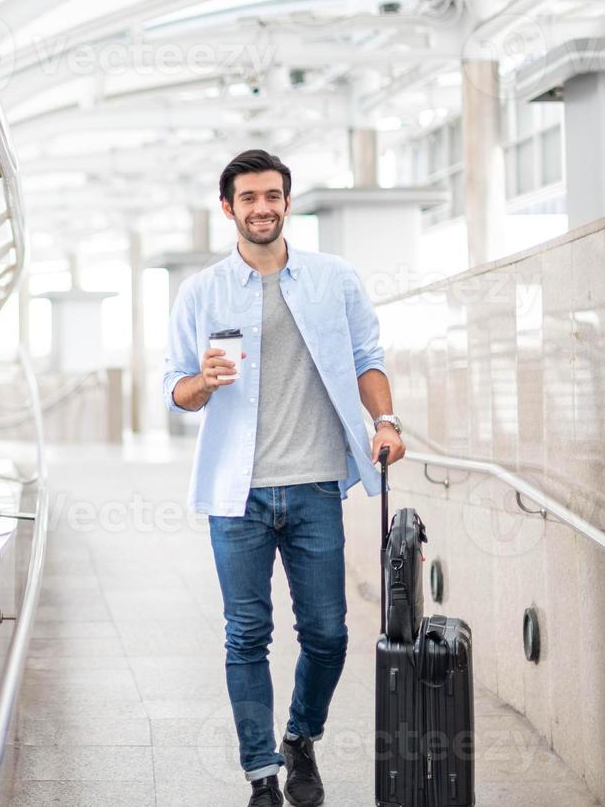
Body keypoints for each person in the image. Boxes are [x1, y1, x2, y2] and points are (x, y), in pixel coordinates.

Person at [162, 149, 406, 807]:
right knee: (246, 634)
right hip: (233, 494)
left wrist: (385, 421)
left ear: (286, 202)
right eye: (248, 198)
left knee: (327, 633)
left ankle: (301, 738)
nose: (261, 207)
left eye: (272, 195)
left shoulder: (333, 279)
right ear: (227, 208)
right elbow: (174, 391)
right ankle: (261, 773)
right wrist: (202, 383)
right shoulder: (201, 292)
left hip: (314, 486)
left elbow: (366, 358)